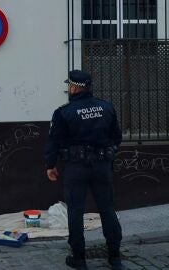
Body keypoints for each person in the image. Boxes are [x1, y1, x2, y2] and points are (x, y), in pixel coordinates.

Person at [45, 70, 124, 270]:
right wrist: (107, 155)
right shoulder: (106, 107)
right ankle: (115, 257)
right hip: (102, 167)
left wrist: (50, 165)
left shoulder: (64, 112)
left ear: (73, 88)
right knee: (107, 209)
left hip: (76, 168)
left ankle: (79, 259)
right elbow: (116, 137)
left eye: (68, 87)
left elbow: (53, 141)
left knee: (75, 211)